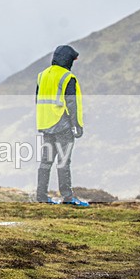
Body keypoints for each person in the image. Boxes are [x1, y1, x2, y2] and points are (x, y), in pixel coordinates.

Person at [35, 45, 89, 207]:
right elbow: (72, 103)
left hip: (45, 124)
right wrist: (77, 125)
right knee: (63, 161)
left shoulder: (42, 75)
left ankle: (41, 195)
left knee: (46, 161)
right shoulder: (67, 77)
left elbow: (38, 99)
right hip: (62, 124)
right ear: (68, 60)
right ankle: (68, 197)